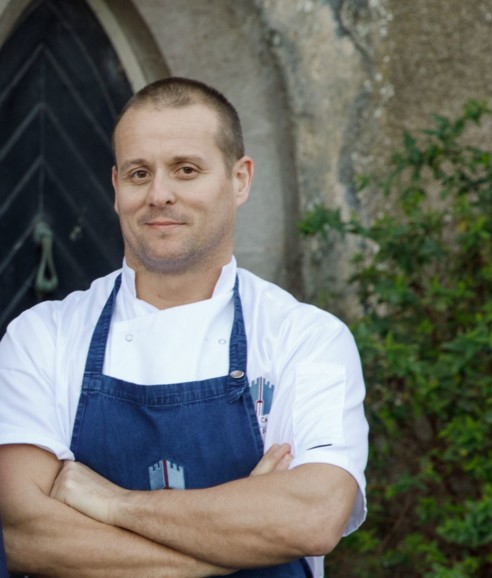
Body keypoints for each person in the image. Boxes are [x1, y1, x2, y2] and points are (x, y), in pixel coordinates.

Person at [0, 77, 368, 577]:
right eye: (139, 173)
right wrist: (236, 538)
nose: (159, 194)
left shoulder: (305, 339)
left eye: (186, 170)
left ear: (240, 180)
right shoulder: (42, 337)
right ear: (116, 188)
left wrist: (113, 503)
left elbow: (313, 517)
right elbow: (26, 536)